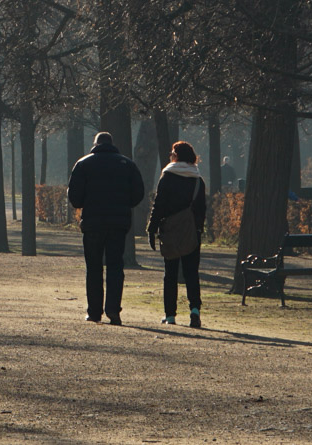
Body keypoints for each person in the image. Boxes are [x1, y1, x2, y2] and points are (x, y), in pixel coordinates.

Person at [66, 131, 146, 325]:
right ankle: (113, 310)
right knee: (115, 266)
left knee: (93, 267)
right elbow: (138, 194)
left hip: (93, 222)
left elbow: (75, 197)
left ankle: (94, 311)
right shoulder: (127, 164)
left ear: (95, 144)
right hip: (118, 223)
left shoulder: (83, 164)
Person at [146, 140, 209, 328]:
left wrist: (152, 228)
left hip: (171, 230)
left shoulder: (167, 176)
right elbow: (202, 210)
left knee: (170, 273)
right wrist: (198, 229)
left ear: (176, 155)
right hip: (192, 231)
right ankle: (195, 310)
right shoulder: (198, 180)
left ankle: (170, 314)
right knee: (192, 273)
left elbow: (159, 205)